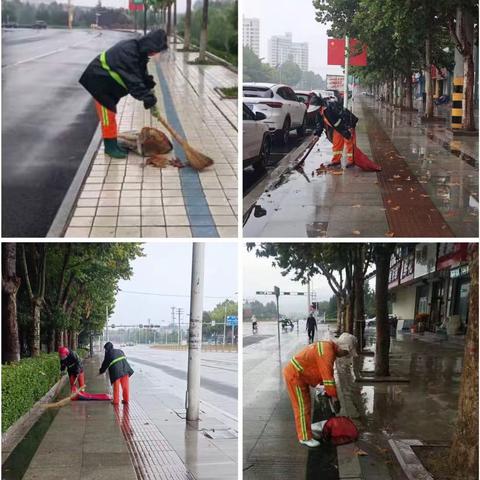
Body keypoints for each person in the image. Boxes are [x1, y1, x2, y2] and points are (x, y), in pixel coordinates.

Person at [79, 30, 168, 159]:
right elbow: (133, 80)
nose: (155, 53)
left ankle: (113, 144)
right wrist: (147, 97)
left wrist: (148, 85)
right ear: (150, 44)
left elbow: (140, 74)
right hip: (98, 81)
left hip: (107, 84)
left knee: (110, 114)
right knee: (107, 116)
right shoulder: (128, 51)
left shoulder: (138, 51)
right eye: (155, 50)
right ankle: (110, 148)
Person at [283, 333, 358, 447]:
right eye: (346, 353)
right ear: (343, 347)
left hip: (300, 376)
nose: (345, 355)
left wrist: (326, 389)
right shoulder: (327, 351)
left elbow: (323, 372)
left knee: (306, 406)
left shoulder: (328, 348)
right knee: (302, 407)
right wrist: (335, 398)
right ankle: (304, 437)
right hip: (295, 376)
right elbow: (328, 377)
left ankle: (306, 431)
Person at [315, 99, 358, 168]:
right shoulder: (319, 113)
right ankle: (336, 161)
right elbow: (320, 124)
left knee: (349, 143)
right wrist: (317, 134)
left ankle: (351, 161)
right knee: (337, 144)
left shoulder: (331, 107)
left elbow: (344, 114)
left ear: (320, 106)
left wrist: (349, 126)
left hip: (346, 125)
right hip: (337, 128)